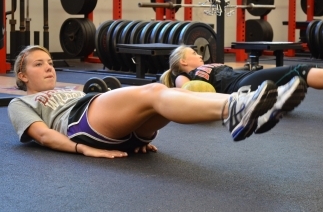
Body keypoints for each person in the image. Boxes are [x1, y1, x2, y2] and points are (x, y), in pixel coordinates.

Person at [8, 45, 290, 159]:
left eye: (50, 62)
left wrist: (131, 136)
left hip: (115, 127)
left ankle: (247, 107)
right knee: (155, 91)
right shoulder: (20, 104)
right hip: (81, 124)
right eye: (38, 64)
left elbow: (108, 107)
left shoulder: (72, 88)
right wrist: (84, 150)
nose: (49, 67)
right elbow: (43, 135)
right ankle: (239, 106)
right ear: (22, 75)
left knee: (171, 97)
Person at [160, 45, 323, 133]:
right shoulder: (184, 76)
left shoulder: (207, 67)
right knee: (299, 71)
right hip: (239, 88)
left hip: (243, 78)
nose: (199, 55)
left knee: (301, 73)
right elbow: (185, 94)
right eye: (193, 53)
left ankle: (274, 100)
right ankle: (266, 100)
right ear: (183, 61)